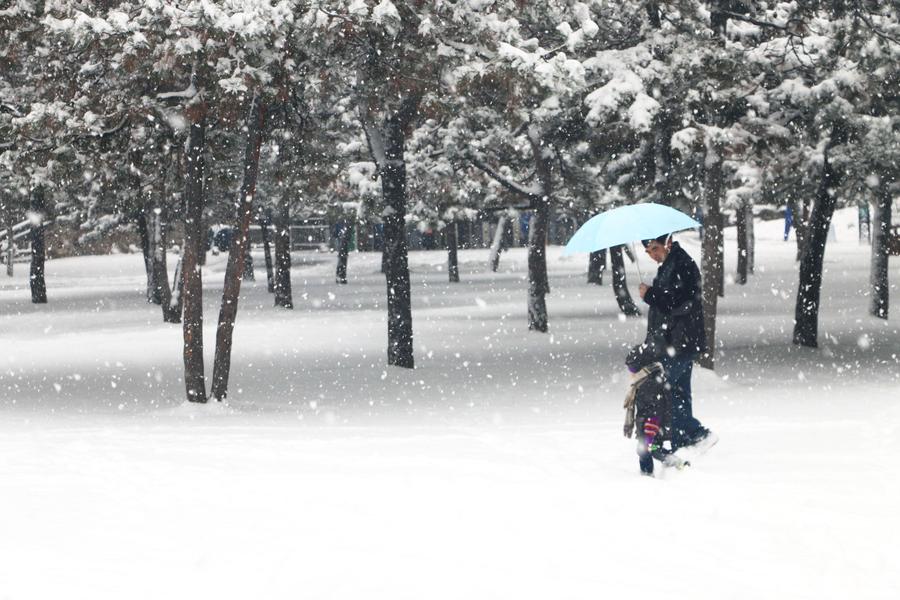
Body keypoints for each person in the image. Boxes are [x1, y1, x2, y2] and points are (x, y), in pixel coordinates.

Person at [637, 234, 715, 452]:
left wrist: (651, 294)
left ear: (667, 244)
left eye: (654, 249)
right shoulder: (670, 264)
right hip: (675, 341)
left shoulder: (681, 264)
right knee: (678, 392)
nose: (652, 255)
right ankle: (684, 439)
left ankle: (694, 433)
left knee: (664, 390)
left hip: (680, 341)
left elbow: (680, 302)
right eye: (648, 251)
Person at [623, 342, 689, 476]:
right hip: (650, 428)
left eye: (632, 370)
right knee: (649, 449)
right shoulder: (646, 382)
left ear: (641, 368)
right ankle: (650, 472)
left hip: (652, 428)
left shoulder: (649, 385)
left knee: (649, 449)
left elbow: (655, 410)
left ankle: (664, 467)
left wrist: (650, 430)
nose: (631, 374)